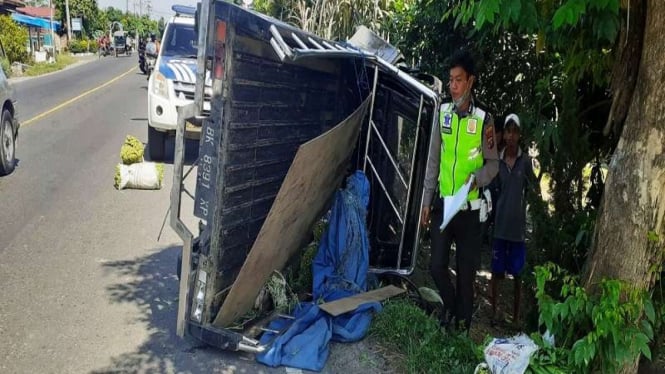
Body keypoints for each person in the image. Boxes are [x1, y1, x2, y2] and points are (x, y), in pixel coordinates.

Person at [421, 49, 499, 332]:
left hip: (469, 209)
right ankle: (451, 308)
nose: (452, 86)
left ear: (470, 82)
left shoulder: (484, 120)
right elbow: (433, 160)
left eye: (458, 80)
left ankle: (462, 325)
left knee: (466, 273)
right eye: (450, 80)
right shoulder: (442, 113)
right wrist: (427, 200)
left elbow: (493, 165)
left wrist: (475, 180)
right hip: (444, 204)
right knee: (436, 266)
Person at [489, 113, 538, 328]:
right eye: (507, 131)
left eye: (514, 131)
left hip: (518, 229)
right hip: (500, 226)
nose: (510, 135)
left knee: (517, 275)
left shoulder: (525, 162)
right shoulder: (497, 160)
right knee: (496, 273)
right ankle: (495, 312)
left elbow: (534, 189)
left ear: (519, 135)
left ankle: (516, 318)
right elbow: (491, 190)